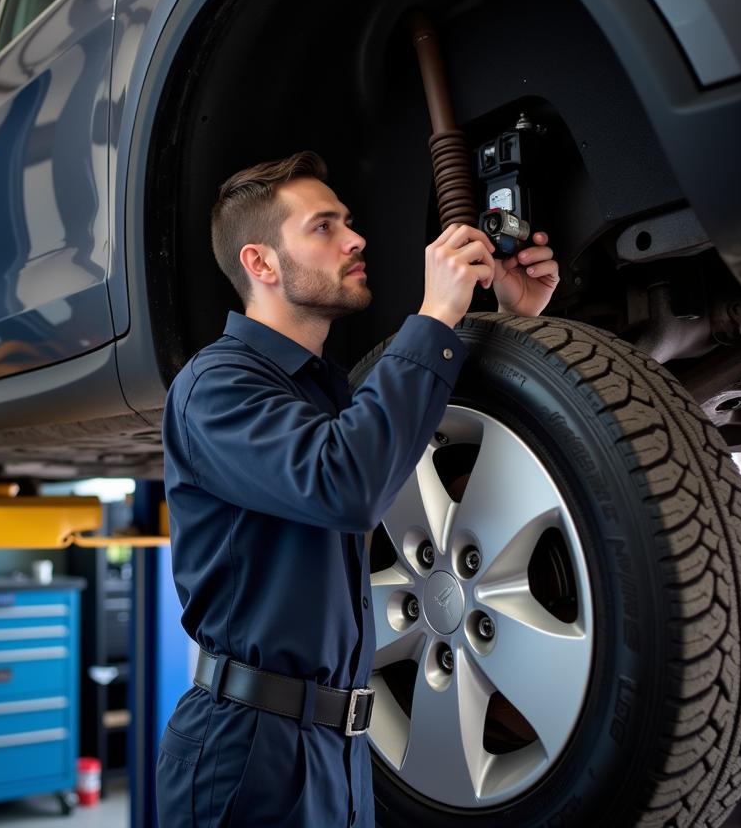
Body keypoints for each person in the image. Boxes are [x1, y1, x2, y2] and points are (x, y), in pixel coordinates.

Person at [157, 151, 559, 827]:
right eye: (323, 227)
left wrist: (518, 319)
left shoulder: (325, 393)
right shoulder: (214, 387)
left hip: (340, 748)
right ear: (260, 264)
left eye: (348, 220)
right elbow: (345, 480)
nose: (356, 238)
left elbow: (421, 430)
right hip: (247, 754)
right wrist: (434, 313)